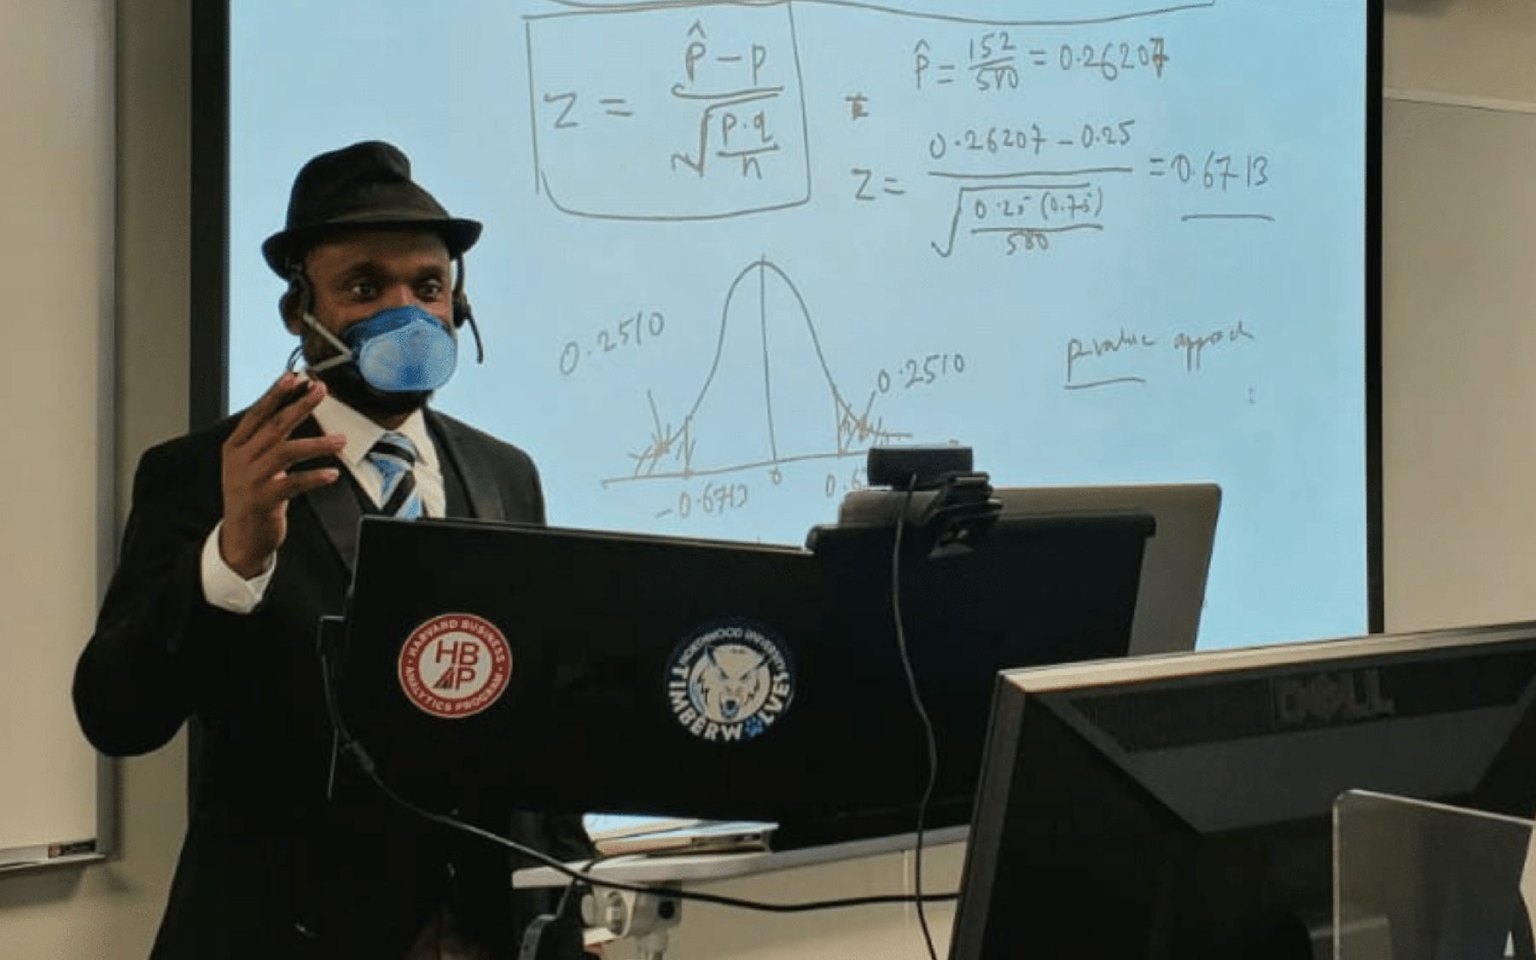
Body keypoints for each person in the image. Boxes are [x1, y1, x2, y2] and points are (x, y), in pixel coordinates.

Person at [73, 141, 592, 960]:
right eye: (363, 286)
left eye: (428, 286)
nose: (406, 310)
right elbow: (116, 714)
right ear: (297, 312)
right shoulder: (205, 473)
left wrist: (570, 902)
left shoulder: (504, 475)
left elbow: (539, 716)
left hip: (492, 931)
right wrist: (230, 562)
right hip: (286, 931)